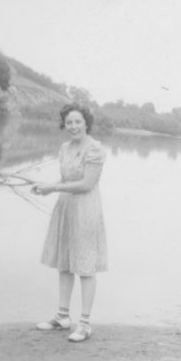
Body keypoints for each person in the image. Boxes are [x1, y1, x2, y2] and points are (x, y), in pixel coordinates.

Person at [32, 103, 107, 342]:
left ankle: (84, 324)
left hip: (85, 209)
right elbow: (66, 178)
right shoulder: (65, 148)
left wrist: (53, 187)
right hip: (65, 207)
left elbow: (86, 183)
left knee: (85, 266)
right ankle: (62, 317)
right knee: (64, 262)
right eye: (69, 122)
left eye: (78, 122)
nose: (73, 126)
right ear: (64, 125)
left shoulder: (95, 149)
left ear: (86, 123)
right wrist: (47, 188)